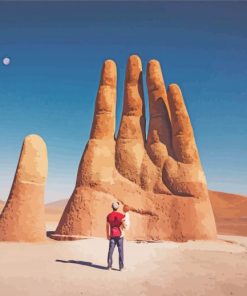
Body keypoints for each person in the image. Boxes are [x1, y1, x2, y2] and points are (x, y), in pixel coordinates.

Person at [106, 201, 125, 271]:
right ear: (117, 208)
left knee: (110, 250)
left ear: (112, 207)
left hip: (112, 235)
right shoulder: (121, 215)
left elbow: (107, 226)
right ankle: (121, 267)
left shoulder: (109, 216)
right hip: (119, 235)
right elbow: (123, 224)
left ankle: (109, 266)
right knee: (120, 251)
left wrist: (107, 235)